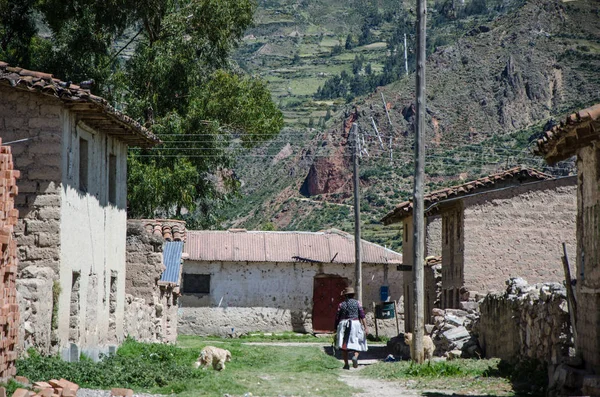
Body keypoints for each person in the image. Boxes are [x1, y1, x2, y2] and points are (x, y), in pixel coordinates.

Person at [335, 286, 368, 369]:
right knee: (359, 341)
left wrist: (335, 327)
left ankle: (346, 364)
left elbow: (337, 317)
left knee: (344, 344)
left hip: (344, 324)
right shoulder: (357, 303)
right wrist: (366, 327)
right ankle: (355, 357)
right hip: (355, 323)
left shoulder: (341, 304)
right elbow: (362, 315)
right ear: (353, 295)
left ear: (345, 295)